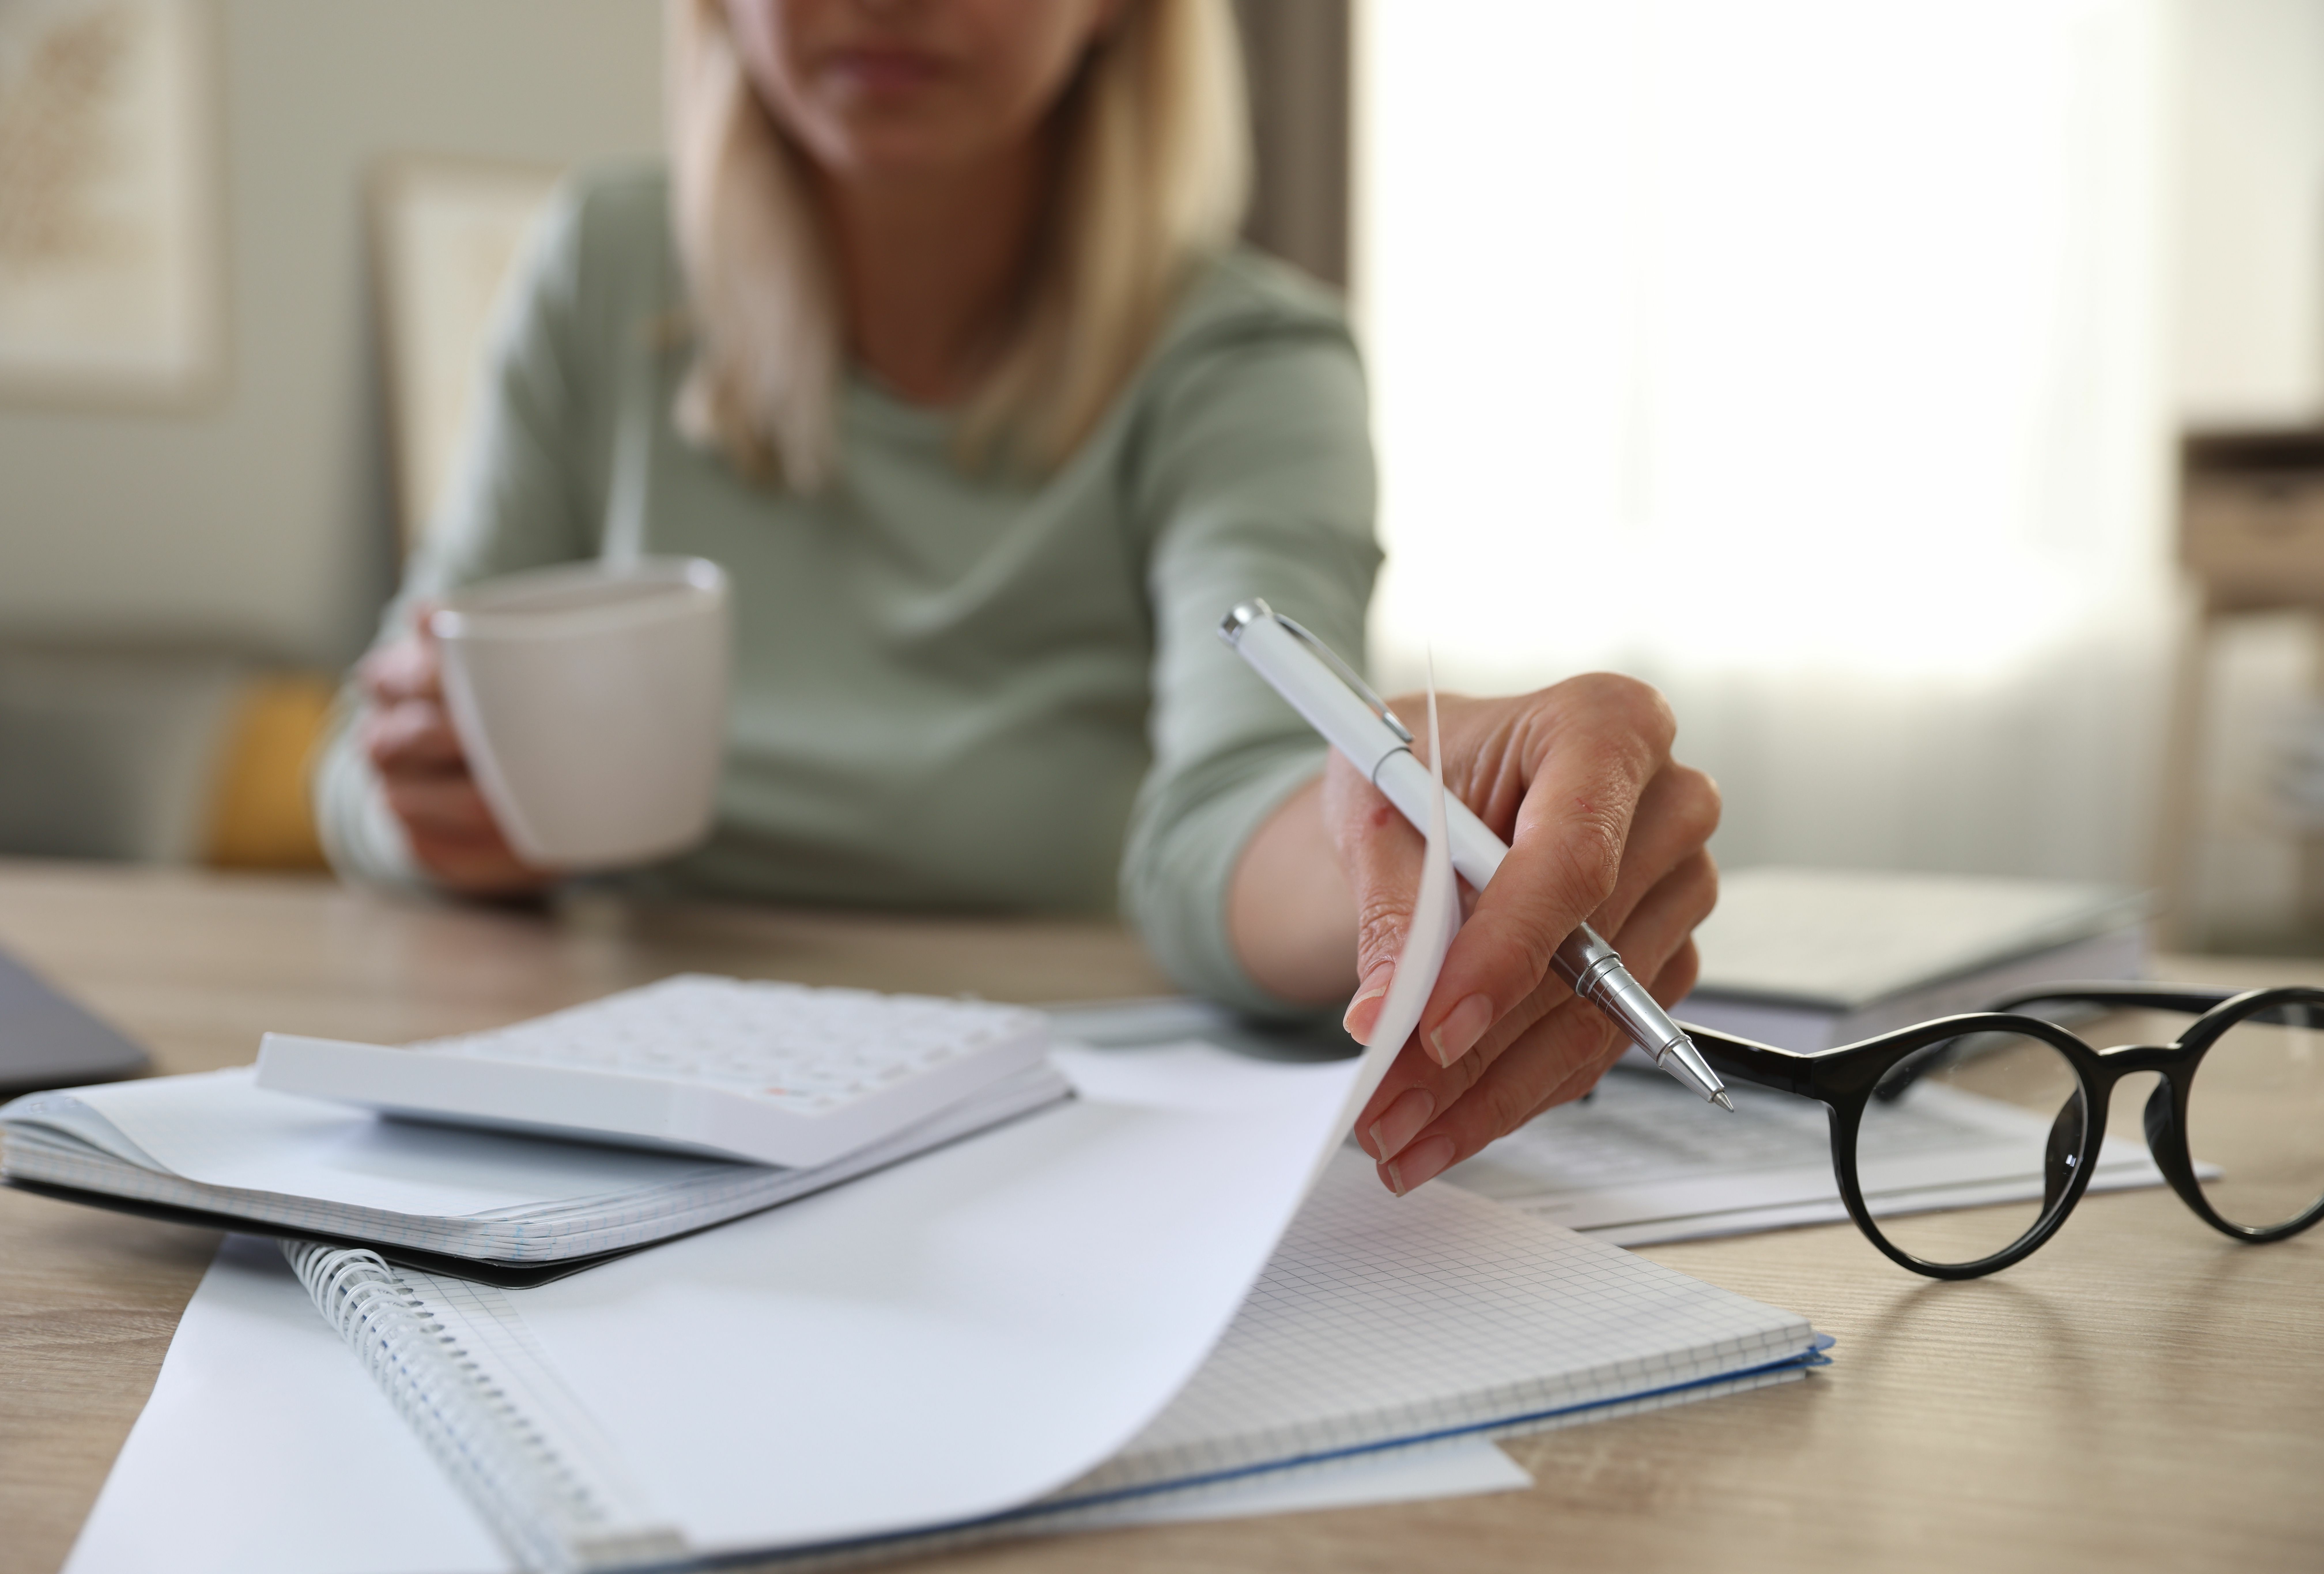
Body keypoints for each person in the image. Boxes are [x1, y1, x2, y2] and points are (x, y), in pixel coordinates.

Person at [315, 0, 1721, 1197]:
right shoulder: (603, 268)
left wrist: (1392, 800)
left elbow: (1230, 807)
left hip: (1034, 1145)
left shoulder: (1245, 360)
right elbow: (371, 752)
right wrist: (428, 808)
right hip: (605, 1106)